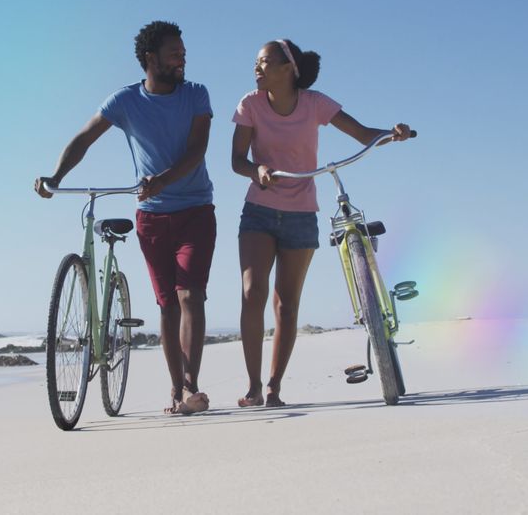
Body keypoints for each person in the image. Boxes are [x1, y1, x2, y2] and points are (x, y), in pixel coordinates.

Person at [35, 21, 216, 415]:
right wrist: (56, 177)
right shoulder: (125, 101)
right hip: (152, 217)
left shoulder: (196, 95)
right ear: (151, 59)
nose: (183, 58)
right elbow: (84, 138)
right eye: (175, 53)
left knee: (190, 295)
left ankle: (190, 387)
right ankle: (174, 389)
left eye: (184, 52)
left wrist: (162, 181)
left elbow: (196, 151)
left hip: (196, 210)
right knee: (167, 305)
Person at [230, 38, 413, 407]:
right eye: (256, 62)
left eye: (264, 62)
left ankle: (273, 387)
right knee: (253, 293)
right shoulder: (250, 104)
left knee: (286, 305)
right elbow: (237, 160)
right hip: (259, 211)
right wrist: (257, 169)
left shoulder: (314, 104)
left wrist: (393, 135)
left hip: (301, 215)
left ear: (288, 69)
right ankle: (252, 385)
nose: (257, 68)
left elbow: (362, 134)